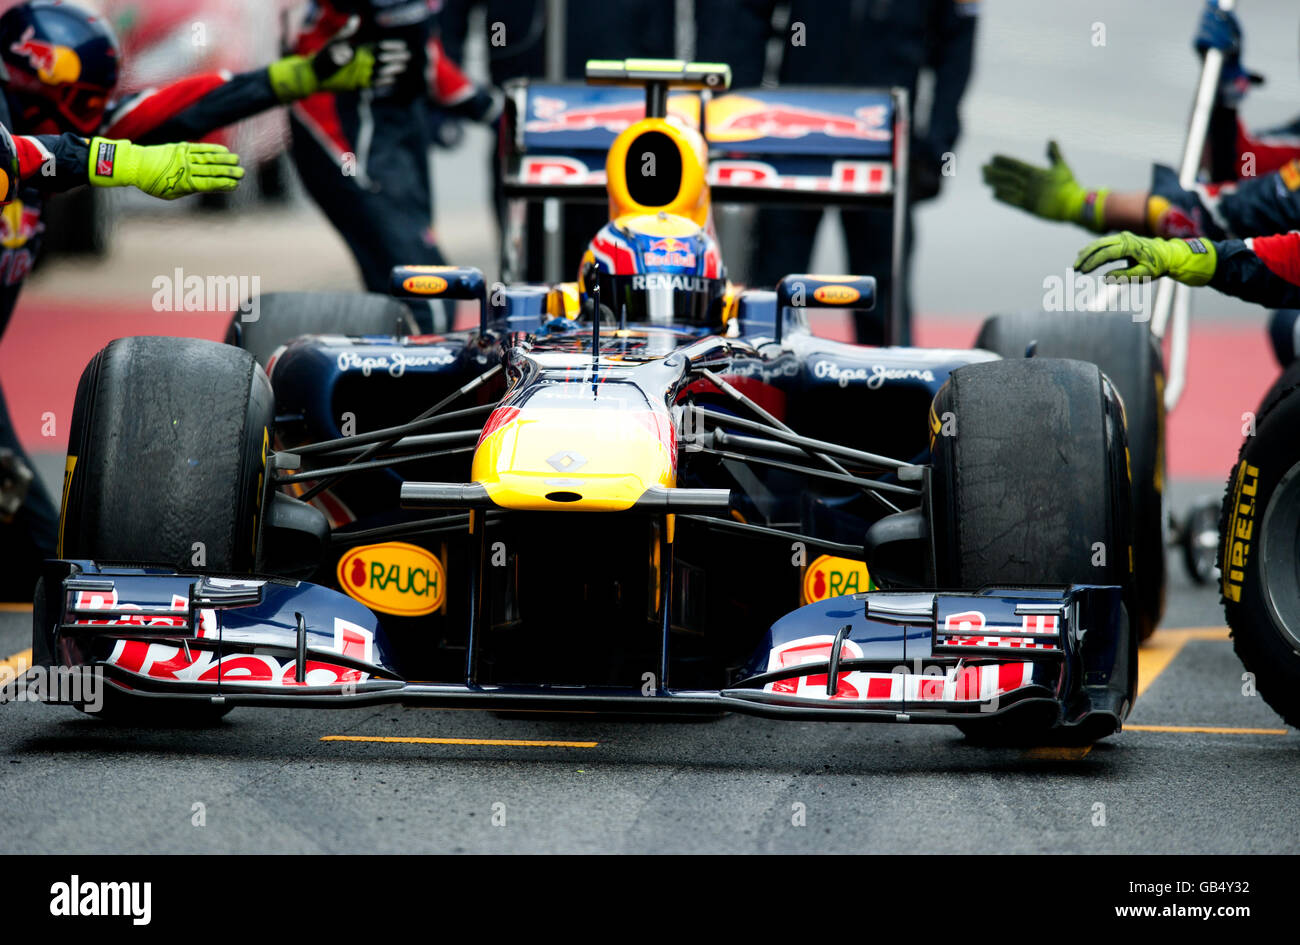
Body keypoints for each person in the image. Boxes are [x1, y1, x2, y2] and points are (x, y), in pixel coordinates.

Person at [0, 0, 383, 599]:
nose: (94, 119)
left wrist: (289, 79)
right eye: (80, 105)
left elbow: (182, 106)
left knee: (45, 559)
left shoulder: (60, 126)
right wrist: (115, 160)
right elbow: (19, 155)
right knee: (51, 563)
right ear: (28, 79)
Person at [696, 0, 980, 344]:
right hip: (793, 137)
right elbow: (747, 17)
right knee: (771, 295)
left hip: (884, 144)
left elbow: (958, 38)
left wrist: (936, 145)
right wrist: (737, 119)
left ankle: (890, 392)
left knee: (884, 302)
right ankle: (759, 381)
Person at [284, 0, 502, 332]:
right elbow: (426, 60)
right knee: (429, 292)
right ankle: (427, 382)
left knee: (402, 288)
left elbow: (422, 55)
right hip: (348, 143)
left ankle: (390, 376)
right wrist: (495, 110)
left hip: (384, 132)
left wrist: (492, 110)